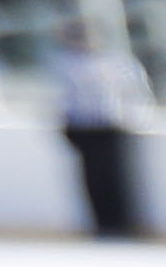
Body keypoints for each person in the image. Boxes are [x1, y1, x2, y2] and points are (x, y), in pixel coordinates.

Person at [46, 25, 147, 237]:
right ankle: (101, 224)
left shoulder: (116, 63)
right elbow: (62, 98)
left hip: (110, 125)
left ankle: (121, 223)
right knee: (91, 178)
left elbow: (134, 92)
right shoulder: (65, 64)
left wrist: (132, 117)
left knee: (115, 176)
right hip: (83, 127)